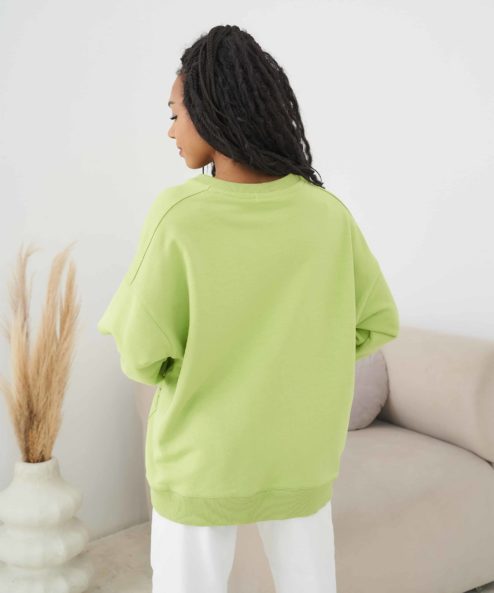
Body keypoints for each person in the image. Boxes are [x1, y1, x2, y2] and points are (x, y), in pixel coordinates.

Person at [97, 24, 400, 593]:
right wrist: (306, 358)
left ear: (211, 111)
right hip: (301, 457)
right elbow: (376, 322)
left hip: (203, 460)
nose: (170, 130)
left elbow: (140, 353)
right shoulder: (327, 215)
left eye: (175, 114)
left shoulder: (178, 215)